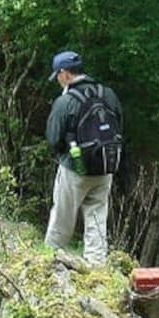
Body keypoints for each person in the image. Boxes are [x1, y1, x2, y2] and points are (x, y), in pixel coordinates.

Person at [43, 50, 123, 265]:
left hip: (74, 169)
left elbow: (53, 138)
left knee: (63, 218)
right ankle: (96, 266)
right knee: (97, 218)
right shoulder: (108, 94)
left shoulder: (65, 101)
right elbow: (119, 126)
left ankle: (49, 261)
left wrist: (66, 153)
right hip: (105, 167)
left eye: (57, 76)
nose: (58, 81)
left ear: (65, 74)